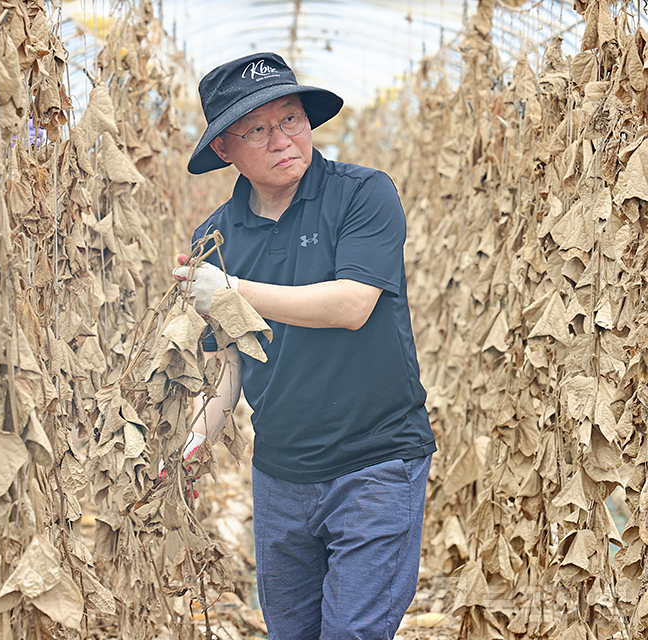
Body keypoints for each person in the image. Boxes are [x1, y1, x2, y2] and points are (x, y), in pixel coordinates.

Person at [172, 52, 436, 640]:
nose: (283, 140)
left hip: (376, 462)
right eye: (258, 130)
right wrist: (194, 443)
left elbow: (351, 304)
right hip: (281, 474)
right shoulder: (217, 237)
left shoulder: (362, 194)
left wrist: (233, 289)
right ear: (224, 150)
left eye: (291, 119)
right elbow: (227, 363)